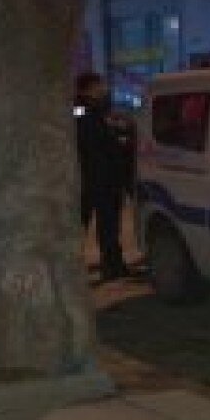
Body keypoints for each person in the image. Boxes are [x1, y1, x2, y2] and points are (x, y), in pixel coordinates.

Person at [75, 72, 132, 280]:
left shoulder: (98, 110)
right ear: (90, 88)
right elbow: (91, 142)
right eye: (100, 85)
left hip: (101, 177)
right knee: (93, 224)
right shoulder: (83, 111)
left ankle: (113, 265)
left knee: (108, 225)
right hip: (95, 177)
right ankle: (108, 266)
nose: (105, 89)